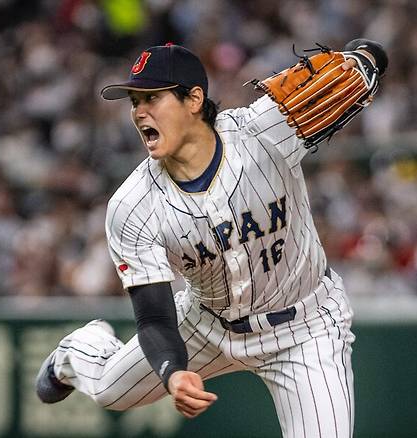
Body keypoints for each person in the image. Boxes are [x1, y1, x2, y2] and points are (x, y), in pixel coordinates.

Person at [36, 40, 386, 437]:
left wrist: (366, 56)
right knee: (108, 391)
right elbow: (153, 318)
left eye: (152, 97)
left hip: (306, 327)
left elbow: (359, 68)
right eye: (134, 101)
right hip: (206, 326)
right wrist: (172, 372)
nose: (138, 112)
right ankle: (79, 351)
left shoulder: (267, 131)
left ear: (194, 99)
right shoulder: (132, 207)